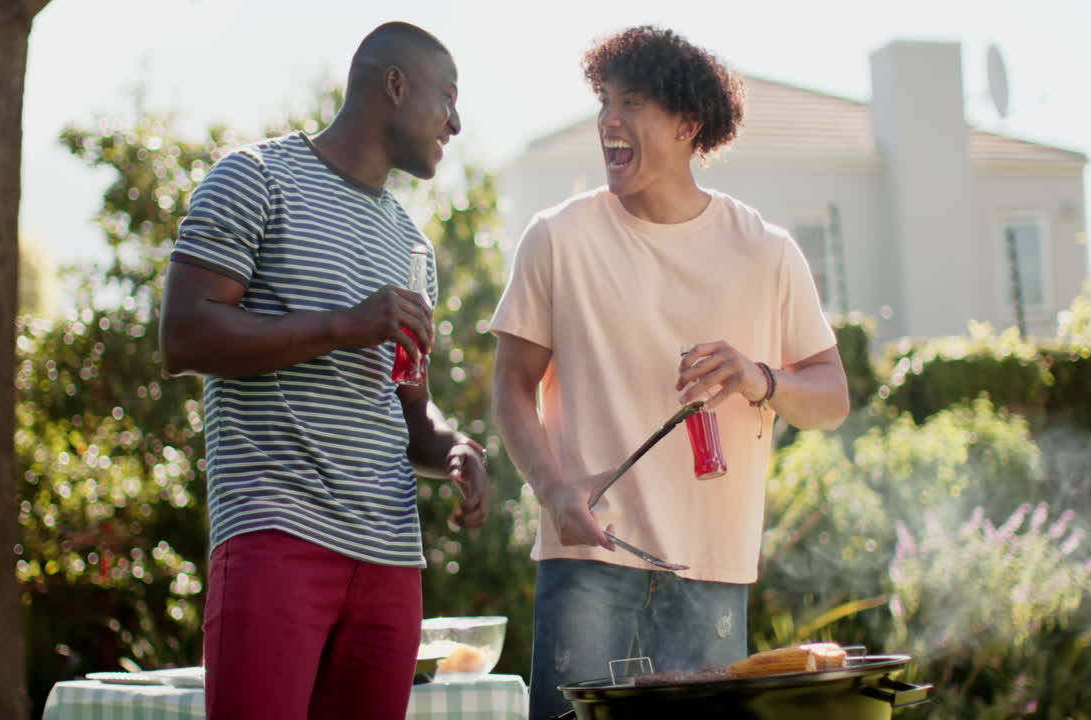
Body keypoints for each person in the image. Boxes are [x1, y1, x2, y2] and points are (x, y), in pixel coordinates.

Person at [490, 26, 851, 719]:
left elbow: (831, 398)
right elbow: (510, 387)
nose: (609, 122)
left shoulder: (767, 252)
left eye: (632, 103)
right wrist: (552, 488)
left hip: (711, 573)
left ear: (689, 125)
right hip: (589, 562)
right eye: (604, 102)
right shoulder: (557, 239)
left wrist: (760, 378)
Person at [159, 22, 491, 720]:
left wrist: (453, 448)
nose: (456, 123)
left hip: (391, 561)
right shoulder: (253, 178)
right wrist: (343, 325)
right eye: (447, 98)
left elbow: (409, 408)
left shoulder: (411, 245)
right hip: (276, 535)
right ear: (394, 85)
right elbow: (184, 335)